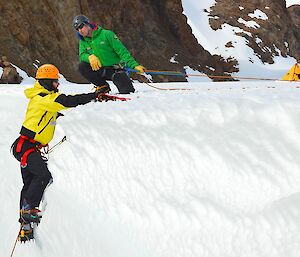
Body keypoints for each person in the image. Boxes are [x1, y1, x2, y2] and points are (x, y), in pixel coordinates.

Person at [11, 64, 106, 242]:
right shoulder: (43, 98)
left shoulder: (45, 98)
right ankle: (27, 210)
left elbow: (55, 109)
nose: (57, 85)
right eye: (55, 82)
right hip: (26, 147)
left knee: (30, 181)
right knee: (43, 176)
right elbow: (66, 101)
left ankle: (25, 221)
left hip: (27, 147)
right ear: (47, 82)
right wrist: (94, 96)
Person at [73, 14, 145, 94]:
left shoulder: (106, 34)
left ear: (87, 24)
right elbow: (82, 55)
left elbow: (122, 51)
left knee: (128, 92)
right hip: (100, 70)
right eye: (77, 29)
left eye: (81, 26)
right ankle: (103, 86)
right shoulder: (83, 41)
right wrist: (90, 57)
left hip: (115, 69)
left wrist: (134, 65)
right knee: (82, 66)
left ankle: (124, 79)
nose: (80, 30)